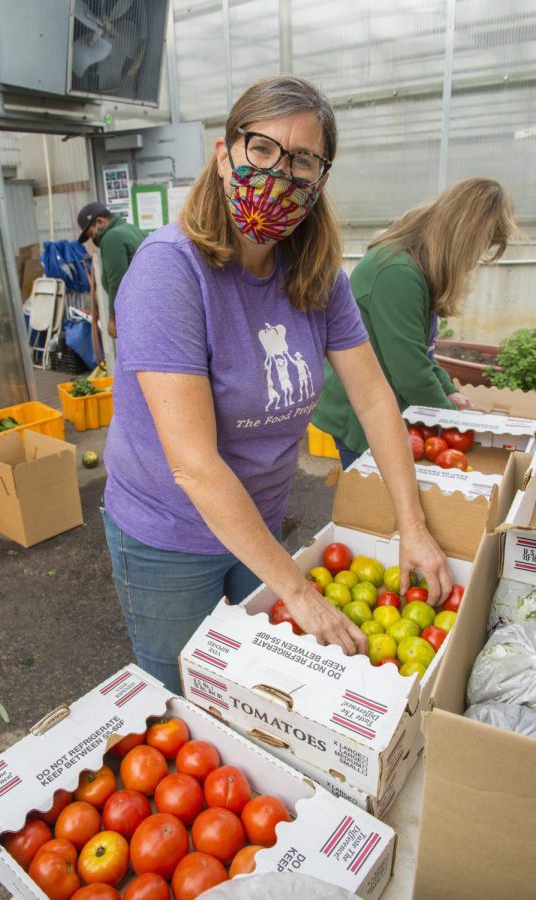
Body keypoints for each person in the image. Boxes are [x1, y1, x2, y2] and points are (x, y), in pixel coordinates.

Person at [102, 75, 452, 695]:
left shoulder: (318, 277)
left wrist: (413, 527)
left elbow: (374, 400)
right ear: (223, 153)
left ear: (320, 181)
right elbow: (194, 464)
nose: (277, 175)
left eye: (302, 162)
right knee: (187, 696)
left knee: (258, 688)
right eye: (261, 149)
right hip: (170, 536)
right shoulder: (169, 273)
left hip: (257, 524)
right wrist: (297, 589)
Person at [312, 178, 517, 468]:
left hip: (381, 407)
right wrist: (456, 422)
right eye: (480, 246)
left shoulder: (415, 265)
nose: (475, 260)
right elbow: (410, 372)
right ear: (463, 237)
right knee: (373, 504)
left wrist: (449, 389)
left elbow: (419, 350)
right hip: (360, 415)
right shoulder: (398, 272)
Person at [77, 202, 147, 338]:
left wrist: (113, 319)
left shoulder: (111, 238)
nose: (92, 239)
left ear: (100, 222)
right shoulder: (131, 229)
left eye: (91, 234)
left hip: (136, 315)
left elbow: (118, 283)